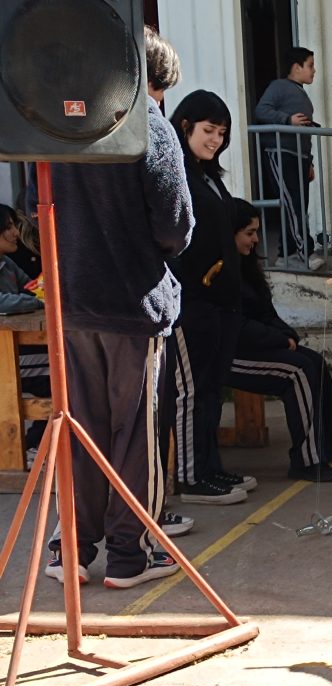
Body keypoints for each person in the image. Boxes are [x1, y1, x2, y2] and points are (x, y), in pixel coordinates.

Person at [38, 26, 194, 588]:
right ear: (154, 80)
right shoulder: (151, 126)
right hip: (132, 303)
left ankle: (71, 551)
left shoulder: (57, 125)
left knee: (79, 427)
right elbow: (175, 227)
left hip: (72, 302)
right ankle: (132, 554)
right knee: (134, 432)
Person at [228, 199, 332, 482]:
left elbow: (266, 313)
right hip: (227, 355)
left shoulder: (246, 268)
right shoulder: (222, 273)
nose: (256, 239)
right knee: (297, 372)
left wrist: (286, 335)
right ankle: (306, 461)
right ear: (229, 233)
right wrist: (276, 341)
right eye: (249, 233)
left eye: (256, 232)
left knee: (315, 362)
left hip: (255, 345)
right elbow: (236, 327)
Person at [169, 90, 256, 505]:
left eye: (221, 133)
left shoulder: (207, 175)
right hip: (190, 302)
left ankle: (210, 468)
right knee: (191, 391)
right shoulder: (174, 173)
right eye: (208, 131)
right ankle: (189, 477)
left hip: (219, 302)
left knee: (209, 389)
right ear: (185, 126)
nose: (215, 140)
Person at [255, 46, 324, 271]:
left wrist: (309, 161)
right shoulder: (279, 87)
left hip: (300, 156)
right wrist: (287, 120)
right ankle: (306, 252)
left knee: (297, 206)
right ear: (297, 67)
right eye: (310, 65)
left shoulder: (301, 94)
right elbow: (261, 110)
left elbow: (304, 131)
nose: (314, 70)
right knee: (293, 204)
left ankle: (287, 255)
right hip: (281, 153)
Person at [0, 204, 48, 468]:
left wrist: (40, 293)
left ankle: (35, 445)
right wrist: (39, 301)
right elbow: (4, 302)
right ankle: (33, 447)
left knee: (69, 373)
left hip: (16, 351)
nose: (15, 233)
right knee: (60, 382)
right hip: (7, 357)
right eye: (7, 227)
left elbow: (31, 291)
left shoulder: (6, 264)